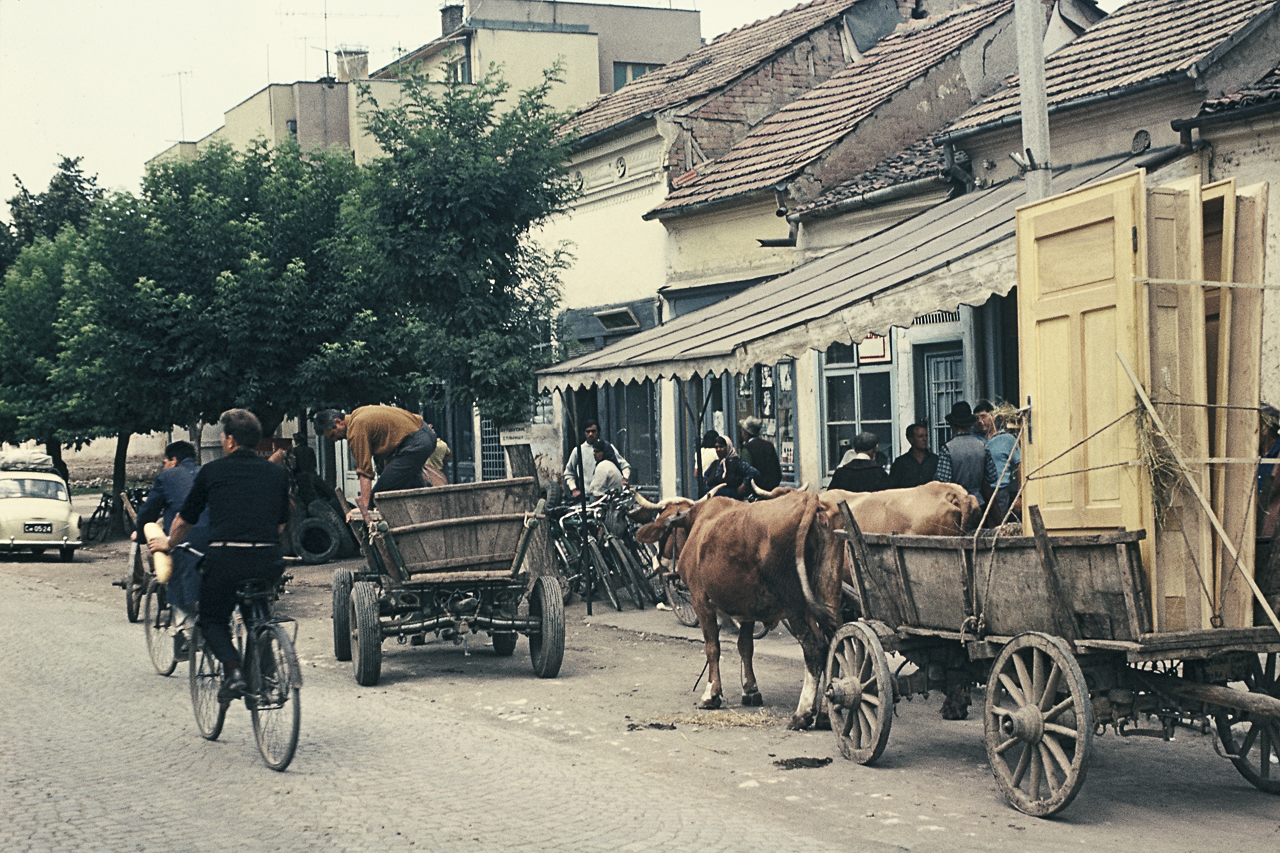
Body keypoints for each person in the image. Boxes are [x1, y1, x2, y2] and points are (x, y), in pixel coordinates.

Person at [160, 409, 290, 701]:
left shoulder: (212, 471)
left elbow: (185, 520)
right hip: (268, 560)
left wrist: (169, 544)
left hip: (226, 560)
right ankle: (267, 679)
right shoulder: (277, 473)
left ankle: (233, 671)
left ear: (230, 440)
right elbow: (281, 523)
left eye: (222, 436)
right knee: (259, 612)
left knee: (211, 619)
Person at [133, 441, 210, 658]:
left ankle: (184, 635)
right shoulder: (207, 471)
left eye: (165, 461)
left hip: (185, 538)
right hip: (216, 539)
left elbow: (149, 511)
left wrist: (140, 535)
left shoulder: (167, 477)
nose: (164, 465)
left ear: (173, 460)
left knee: (177, 578)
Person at [314, 406, 438, 520]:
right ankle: (425, 510)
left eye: (333, 435)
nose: (335, 440)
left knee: (380, 493)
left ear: (338, 422)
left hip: (416, 442)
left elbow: (365, 472)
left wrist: (365, 506)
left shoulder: (356, 430)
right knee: (406, 479)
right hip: (422, 433)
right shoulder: (357, 414)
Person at [935, 401, 998, 501]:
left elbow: (943, 482)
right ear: (969, 424)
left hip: (956, 502)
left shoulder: (948, 448)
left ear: (952, 425)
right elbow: (992, 477)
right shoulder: (982, 446)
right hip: (978, 501)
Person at [974, 401, 1021, 524]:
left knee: (999, 527)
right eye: (977, 418)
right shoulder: (974, 439)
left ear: (993, 418)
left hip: (1000, 492)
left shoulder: (1007, 439)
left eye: (983, 416)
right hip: (979, 493)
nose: (980, 421)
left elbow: (1019, 466)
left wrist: (1019, 496)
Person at [563, 420, 630, 499]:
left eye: (593, 431)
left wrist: (624, 479)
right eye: (588, 431)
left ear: (598, 432)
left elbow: (625, 466)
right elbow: (569, 472)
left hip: (606, 496)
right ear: (584, 433)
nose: (590, 434)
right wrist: (574, 489)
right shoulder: (578, 451)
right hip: (586, 496)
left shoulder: (607, 447)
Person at [704, 435, 759, 499]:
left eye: (721, 447)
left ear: (728, 447)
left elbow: (753, 472)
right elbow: (705, 477)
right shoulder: (715, 464)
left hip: (732, 501)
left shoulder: (737, 463)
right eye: (716, 447)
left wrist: (744, 485)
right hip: (715, 502)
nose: (718, 450)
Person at [889, 422, 938, 489]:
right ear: (910, 439)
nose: (925, 439)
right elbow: (893, 486)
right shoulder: (901, 463)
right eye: (920, 436)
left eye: (926, 436)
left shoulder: (935, 460)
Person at [739, 417, 782, 491]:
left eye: (743, 430)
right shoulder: (769, 445)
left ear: (746, 433)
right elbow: (777, 471)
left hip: (755, 490)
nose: (742, 433)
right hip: (772, 489)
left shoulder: (747, 448)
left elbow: (746, 472)